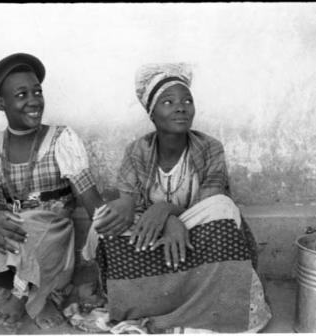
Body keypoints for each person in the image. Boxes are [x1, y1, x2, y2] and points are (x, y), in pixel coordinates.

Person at [88, 63, 272, 333]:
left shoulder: (209, 148)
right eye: (168, 101)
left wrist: (166, 210)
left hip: (197, 233)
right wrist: (163, 220)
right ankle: (141, 299)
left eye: (187, 100)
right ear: (152, 114)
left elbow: (211, 201)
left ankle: (209, 302)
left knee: (223, 207)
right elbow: (131, 208)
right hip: (150, 234)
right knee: (102, 219)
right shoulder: (137, 151)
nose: (181, 107)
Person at [0, 53, 110, 328]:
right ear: (2, 103)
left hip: (51, 234)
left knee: (33, 229)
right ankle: (38, 288)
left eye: (37, 92)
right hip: (16, 234)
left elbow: (91, 200)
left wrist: (111, 235)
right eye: (22, 95)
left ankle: (23, 296)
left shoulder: (61, 139)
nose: (34, 100)